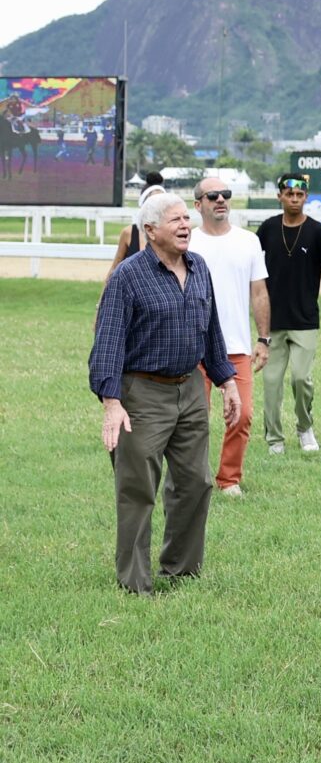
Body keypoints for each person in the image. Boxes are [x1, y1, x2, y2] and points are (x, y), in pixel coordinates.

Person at [87, 193, 242, 595]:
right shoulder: (128, 277)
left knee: (196, 483)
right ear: (151, 230)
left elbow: (211, 331)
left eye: (186, 218)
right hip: (141, 393)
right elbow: (107, 343)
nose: (186, 225)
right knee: (137, 490)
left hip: (190, 389)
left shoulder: (199, 267)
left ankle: (181, 570)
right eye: (175, 220)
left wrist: (226, 381)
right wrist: (111, 403)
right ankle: (135, 582)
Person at [191, 174, 271, 497]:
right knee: (194, 418)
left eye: (225, 193)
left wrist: (263, 339)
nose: (221, 199)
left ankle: (229, 479)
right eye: (213, 196)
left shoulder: (248, 241)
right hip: (195, 347)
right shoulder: (188, 242)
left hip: (236, 346)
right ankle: (194, 478)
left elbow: (259, 292)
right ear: (198, 205)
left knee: (243, 414)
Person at [255, 173, 321, 455]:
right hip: (272, 321)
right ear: (279, 196)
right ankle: (274, 439)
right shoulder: (267, 229)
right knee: (271, 382)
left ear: (306, 197)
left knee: (301, 379)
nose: (294, 199)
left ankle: (305, 427)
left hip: (305, 320)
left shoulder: (317, 231)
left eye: (299, 195)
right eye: (289, 194)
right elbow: (251, 270)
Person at [108, 172, 168, 269]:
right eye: (153, 202)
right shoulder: (128, 233)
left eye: (162, 202)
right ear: (143, 205)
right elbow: (115, 267)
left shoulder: (171, 234)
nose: (158, 206)